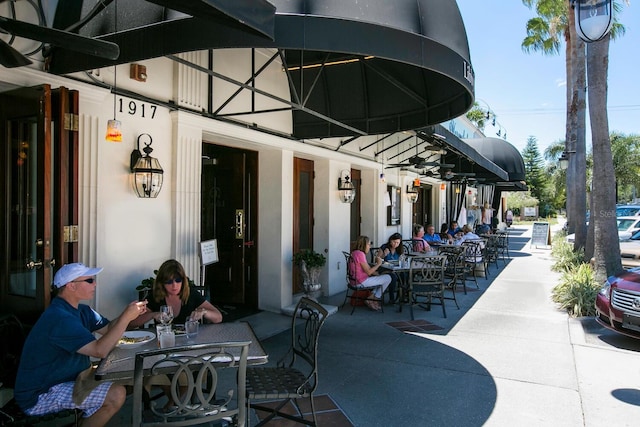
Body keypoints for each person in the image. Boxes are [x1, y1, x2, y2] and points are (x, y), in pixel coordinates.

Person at [14, 263, 148, 426]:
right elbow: (100, 350)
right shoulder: (59, 318)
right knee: (116, 394)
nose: (95, 283)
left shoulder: (82, 311)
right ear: (71, 286)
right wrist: (126, 317)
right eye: (90, 280)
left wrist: (130, 314)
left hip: (69, 379)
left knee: (126, 378)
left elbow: (109, 330)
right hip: (42, 393)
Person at [130, 259, 222, 328]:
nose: (174, 285)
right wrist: (153, 315)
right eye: (169, 282)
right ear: (161, 282)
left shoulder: (191, 294)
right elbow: (131, 323)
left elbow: (218, 317)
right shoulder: (155, 297)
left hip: (188, 341)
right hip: (163, 341)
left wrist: (204, 312)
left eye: (178, 280)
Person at [350, 236, 392, 311]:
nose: (370, 246)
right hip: (360, 281)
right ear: (364, 244)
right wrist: (378, 264)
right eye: (369, 244)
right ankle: (373, 299)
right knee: (388, 278)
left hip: (354, 280)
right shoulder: (360, 254)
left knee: (382, 279)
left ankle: (371, 297)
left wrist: (379, 274)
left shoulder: (354, 253)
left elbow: (367, 269)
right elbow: (369, 272)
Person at [377, 233, 404, 302]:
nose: (396, 244)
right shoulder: (384, 247)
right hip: (385, 269)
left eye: (398, 243)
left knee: (405, 275)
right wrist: (384, 254)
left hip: (397, 269)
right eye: (394, 242)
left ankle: (402, 295)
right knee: (393, 277)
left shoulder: (399, 249)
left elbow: (402, 259)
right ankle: (392, 298)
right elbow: (377, 259)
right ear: (390, 241)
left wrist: (402, 259)